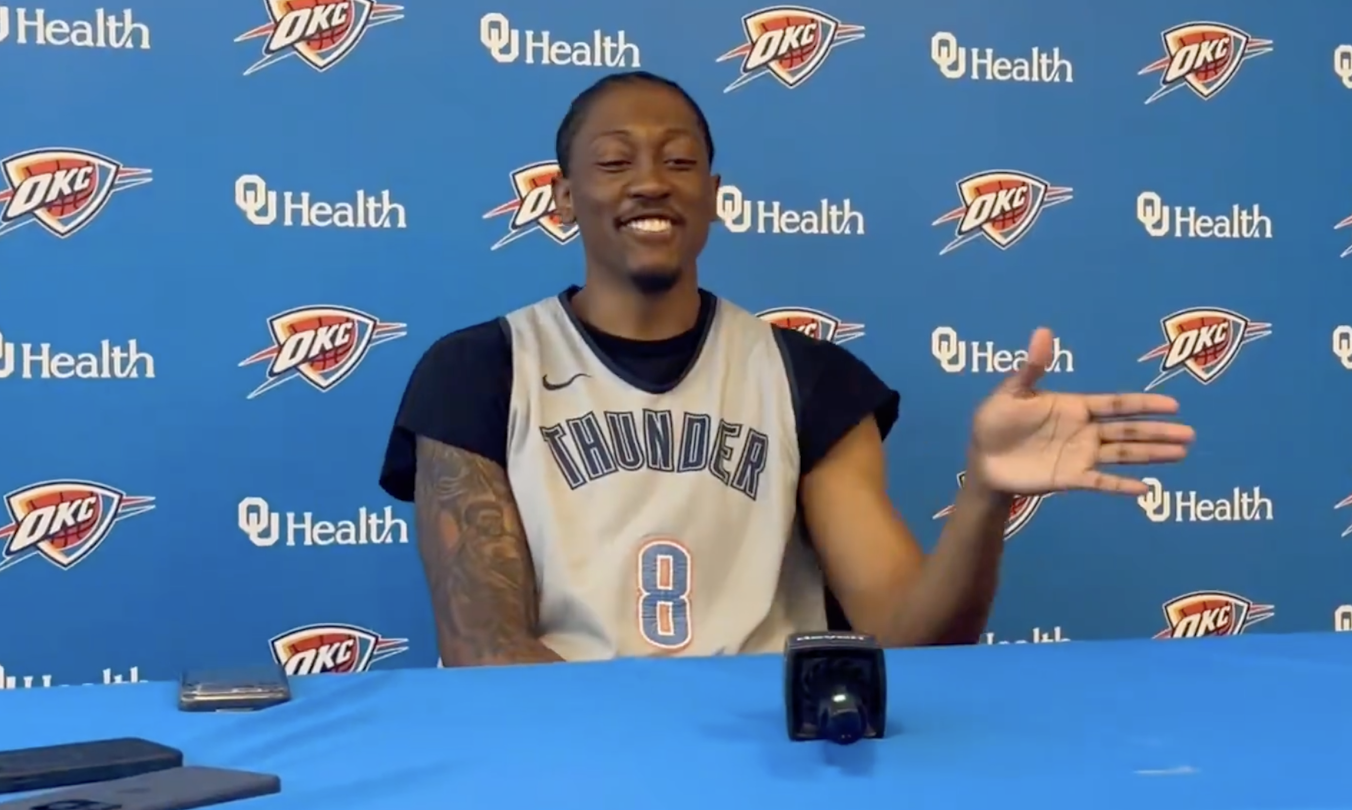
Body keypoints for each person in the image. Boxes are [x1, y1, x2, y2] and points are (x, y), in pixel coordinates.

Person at [378, 70, 1195, 667]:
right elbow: (487, 652)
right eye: (615, 162)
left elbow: (910, 639)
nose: (651, 182)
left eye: (679, 162)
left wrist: (984, 496)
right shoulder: (478, 371)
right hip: (573, 758)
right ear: (561, 197)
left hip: (772, 756)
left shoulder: (810, 380)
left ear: (714, 195)